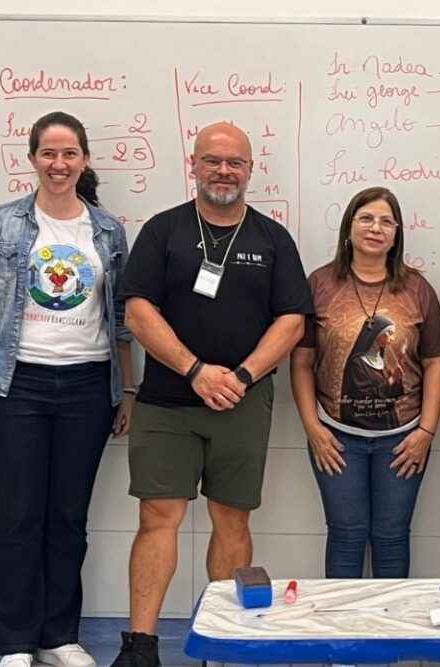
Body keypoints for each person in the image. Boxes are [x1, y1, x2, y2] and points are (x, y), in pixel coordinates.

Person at [111, 122, 313, 667]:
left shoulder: (272, 239)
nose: (224, 171)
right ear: (194, 164)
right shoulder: (163, 231)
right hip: (167, 403)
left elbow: (292, 320)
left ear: (250, 170)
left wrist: (241, 376)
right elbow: (138, 311)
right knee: (158, 517)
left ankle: (223, 645)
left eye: (235, 162)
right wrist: (195, 370)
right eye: (213, 161)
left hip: (242, 404)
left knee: (232, 520)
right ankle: (141, 646)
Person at [0, 111, 135, 667]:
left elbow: (121, 321)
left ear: (84, 160)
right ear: (32, 159)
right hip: (18, 386)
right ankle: (14, 643)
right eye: (48, 153)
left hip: (88, 386)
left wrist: (127, 391)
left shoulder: (107, 231)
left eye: (69, 154)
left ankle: (59, 636)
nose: (59, 164)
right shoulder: (0, 224)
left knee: (68, 518)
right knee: (19, 517)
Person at [291, 186, 440, 577]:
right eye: (366, 218)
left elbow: (435, 362)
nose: (375, 228)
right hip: (336, 438)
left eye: (386, 221)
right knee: (346, 535)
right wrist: (313, 429)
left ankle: (389, 617)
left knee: (392, 536)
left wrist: (426, 432)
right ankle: (344, 618)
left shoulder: (417, 289)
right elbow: (302, 362)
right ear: (349, 227)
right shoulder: (319, 284)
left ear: (396, 234)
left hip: (403, 439)